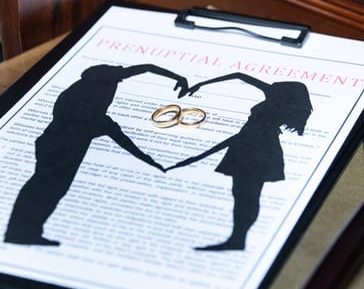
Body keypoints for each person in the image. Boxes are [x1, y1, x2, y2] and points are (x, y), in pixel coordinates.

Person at [4, 64, 188, 246]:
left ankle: (23, 232)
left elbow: (145, 68)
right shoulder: (94, 116)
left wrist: (178, 77)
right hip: (62, 152)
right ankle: (21, 232)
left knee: (46, 189)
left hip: (52, 145)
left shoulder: (80, 96)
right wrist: (152, 162)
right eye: (116, 79)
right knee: (45, 190)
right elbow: (125, 142)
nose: (120, 80)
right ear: (103, 86)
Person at [168, 73, 313, 250]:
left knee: (247, 195)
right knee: (244, 195)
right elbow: (239, 75)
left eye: (278, 88)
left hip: (256, 152)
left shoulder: (272, 111)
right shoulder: (274, 99)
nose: (271, 86)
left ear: (285, 95)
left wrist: (198, 157)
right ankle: (237, 239)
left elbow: (240, 137)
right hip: (252, 149)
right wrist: (202, 83)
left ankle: (238, 239)